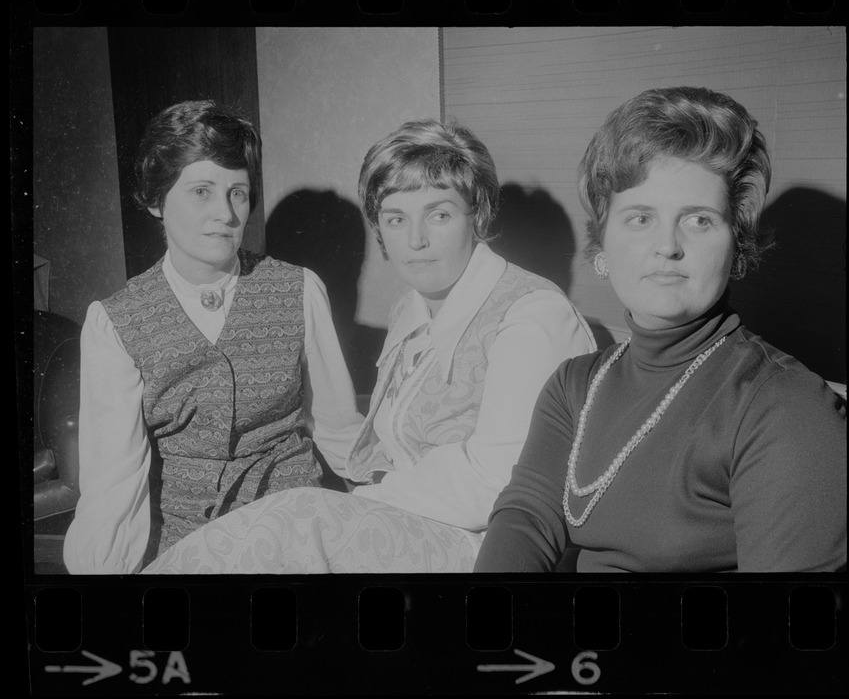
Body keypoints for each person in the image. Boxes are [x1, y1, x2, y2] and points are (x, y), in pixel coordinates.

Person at [141, 118, 597, 573]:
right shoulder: (411, 310)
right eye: (396, 219)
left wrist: (360, 502)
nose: (415, 240)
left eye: (439, 214)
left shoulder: (531, 315)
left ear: (476, 215)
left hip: (487, 549)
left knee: (301, 519)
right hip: (408, 523)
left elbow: (497, 480)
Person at [474, 87, 846, 573]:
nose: (667, 246)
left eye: (698, 219)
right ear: (602, 244)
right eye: (640, 218)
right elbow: (526, 517)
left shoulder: (786, 408)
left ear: (736, 246)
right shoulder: (573, 386)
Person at [63, 100, 363, 574]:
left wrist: (384, 502)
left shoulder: (299, 289)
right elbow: (114, 481)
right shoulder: (115, 321)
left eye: (238, 193)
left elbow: (337, 426)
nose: (225, 213)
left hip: (295, 525)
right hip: (185, 542)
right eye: (201, 191)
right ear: (157, 201)